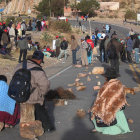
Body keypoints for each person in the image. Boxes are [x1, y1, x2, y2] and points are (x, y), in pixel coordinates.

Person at [14, 50, 54, 133]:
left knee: (25, 114)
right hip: (32, 98)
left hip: (19, 95)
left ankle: (25, 127)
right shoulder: (38, 71)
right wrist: (42, 95)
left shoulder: (20, 65)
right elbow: (45, 85)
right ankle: (47, 127)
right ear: (40, 60)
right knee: (41, 110)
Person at [89, 67, 135, 135]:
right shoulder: (119, 83)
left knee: (94, 110)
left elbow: (101, 99)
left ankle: (99, 127)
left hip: (110, 108)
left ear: (107, 77)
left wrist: (96, 106)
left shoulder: (107, 85)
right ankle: (120, 125)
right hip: (118, 107)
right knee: (117, 111)